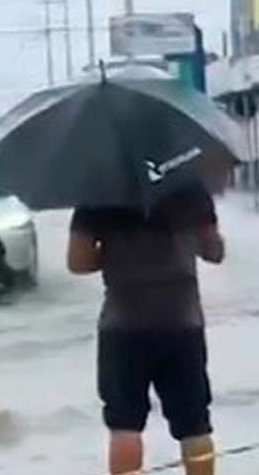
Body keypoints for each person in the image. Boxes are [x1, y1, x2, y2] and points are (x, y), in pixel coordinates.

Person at [67, 184, 225, 475]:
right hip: (182, 324)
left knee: (124, 426)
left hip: (123, 327)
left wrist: (116, 255)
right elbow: (214, 252)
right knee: (194, 424)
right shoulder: (188, 188)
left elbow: (77, 261)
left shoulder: (97, 192)